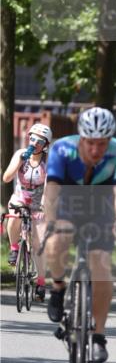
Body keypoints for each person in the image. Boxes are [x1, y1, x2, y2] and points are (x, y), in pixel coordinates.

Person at [43, 106, 116, 363]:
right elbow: (51, 191)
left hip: (102, 207)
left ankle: (98, 337)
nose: (96, 150)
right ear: (81, 138)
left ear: (110, 140)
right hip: (68, 202)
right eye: (91, 143)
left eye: (102, 144)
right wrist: (50, 221)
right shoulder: (62, 149)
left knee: (101, 265)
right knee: (59, 237)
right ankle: (58, 288)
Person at [2, 123, 52, 301]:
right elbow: (6, 177)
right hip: (20, 198)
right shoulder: (20, 154)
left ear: (45, 145)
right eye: (32, 138)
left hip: (39, 202)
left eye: (39, 141)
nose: (34, 143)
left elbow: (48, 187)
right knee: (13, 215)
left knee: (38, 244)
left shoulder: (48, 160)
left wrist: (44, 206)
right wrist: (19, 161)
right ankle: (14, 248)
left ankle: (40, 282)